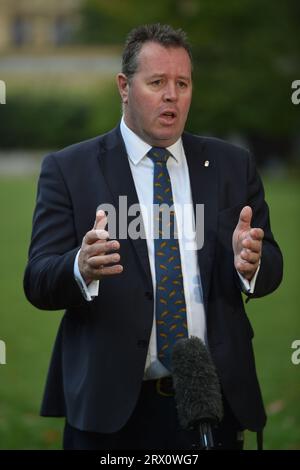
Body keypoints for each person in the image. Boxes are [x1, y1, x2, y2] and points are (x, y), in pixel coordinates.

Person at [24, 23, 283, 450]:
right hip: (110, 412)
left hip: (211, 401)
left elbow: (271, 264)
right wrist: (80, 266)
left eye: (182, 83)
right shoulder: (69, 169)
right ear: (124, 86)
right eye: (157, 82)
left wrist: (252, 264)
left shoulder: (232, 165)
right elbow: (37, 280)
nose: (172, 95)